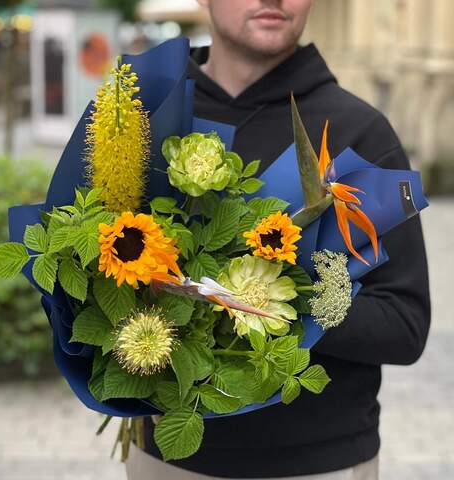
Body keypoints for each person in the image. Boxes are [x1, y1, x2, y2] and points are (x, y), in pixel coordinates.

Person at [126, 1, 431, 478]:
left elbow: (405, 326)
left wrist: (284, 299)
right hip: (167, 457)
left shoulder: (360, 132)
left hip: (318, 463)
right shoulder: (146, 115)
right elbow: (87, 277)